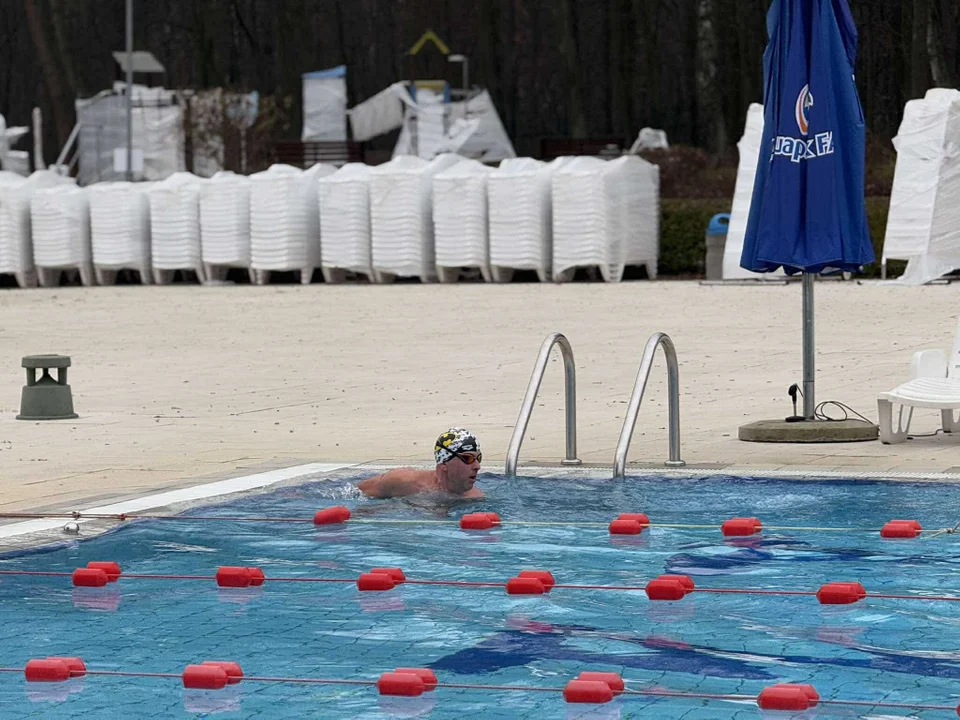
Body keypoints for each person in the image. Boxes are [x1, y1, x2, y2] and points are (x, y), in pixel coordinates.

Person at [358, 428, 484, 499]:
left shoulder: (474, 498)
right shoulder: (403, 481)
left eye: (478, 458)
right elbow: (355, 492)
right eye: (468, 459)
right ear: (444, 463)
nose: (477, 466)